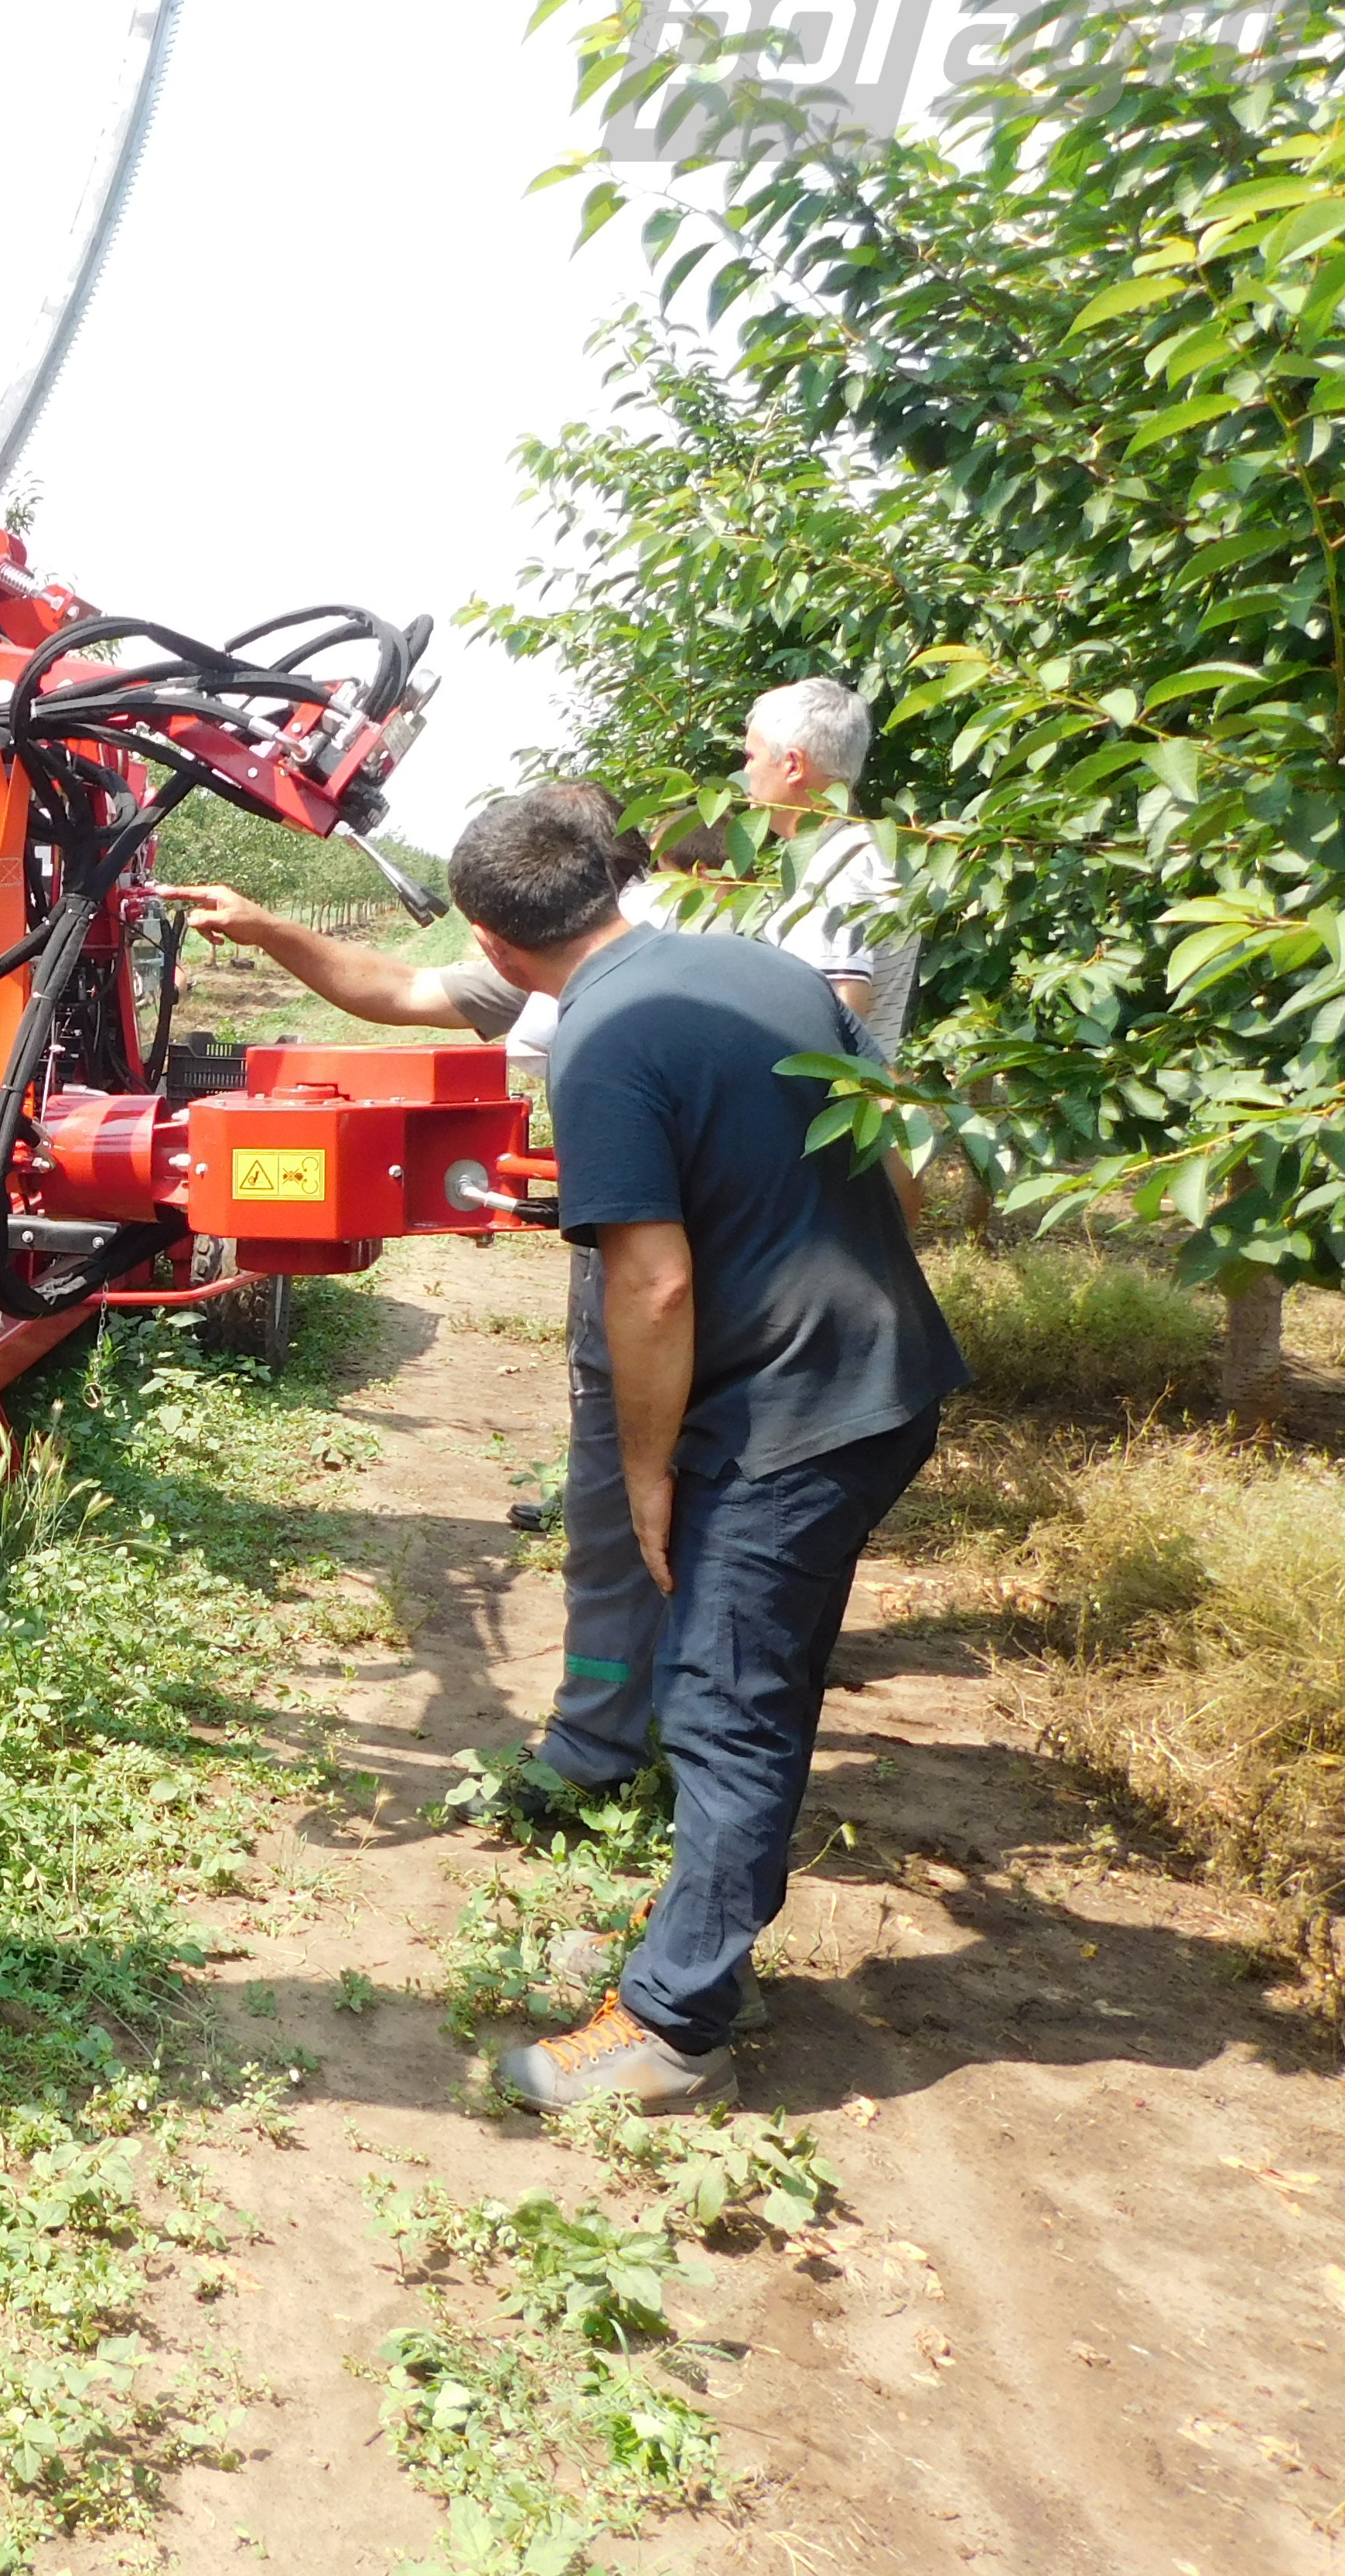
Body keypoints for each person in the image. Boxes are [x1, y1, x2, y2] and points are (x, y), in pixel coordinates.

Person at [430, 790, 968, 2112]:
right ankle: (699, 1937)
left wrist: (645, 1473)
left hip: (789, 1415)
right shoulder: (762, 966)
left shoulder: (600, 1040)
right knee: (745, 1680)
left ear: (493, 945)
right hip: (882, 1372)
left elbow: (653, 1286)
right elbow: (900, 1144)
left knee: (727, 1708)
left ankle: (675, 2029)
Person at [156, 783, 668, 1801]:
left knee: (638, 1487)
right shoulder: (562, 952)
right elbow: (397, 988)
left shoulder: (646, 971)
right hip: (657, 1252)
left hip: (670, 1261)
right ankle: (654, 1719)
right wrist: (267, 927)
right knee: (636, 1496)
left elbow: (664, 1274)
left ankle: (611, 1751)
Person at [742, 676, 917, 1053]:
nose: (745, 774)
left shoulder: (843, 871)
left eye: (751, 757)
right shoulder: (862, 852)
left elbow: (837, 1023)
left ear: (792, 765)